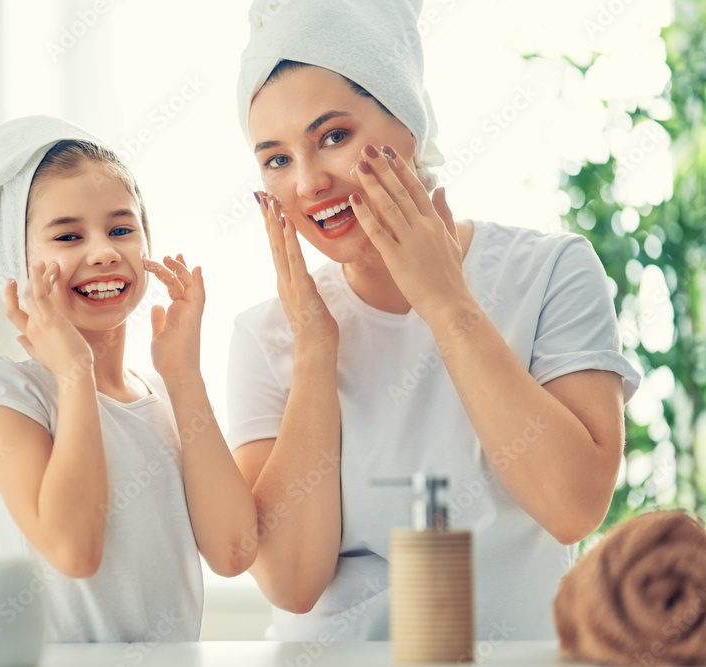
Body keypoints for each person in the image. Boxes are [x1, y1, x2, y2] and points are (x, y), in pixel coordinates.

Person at [225, 0, 643, 642]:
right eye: (276, 159)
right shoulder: (266, 333)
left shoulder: (550, 272)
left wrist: (448, 306)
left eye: (332, 137)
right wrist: (313, 351)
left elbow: (573, 509)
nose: (308, 182)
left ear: (409, 122)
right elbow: (292, 583)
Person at [0, 116, 256, 642]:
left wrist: (185, 374)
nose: (103, 252)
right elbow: (74, 551)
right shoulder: (7, 395)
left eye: (122, 229)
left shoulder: (163, 393)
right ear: (17, 260)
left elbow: (234, 552)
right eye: (68, 235)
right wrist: (75, 373)